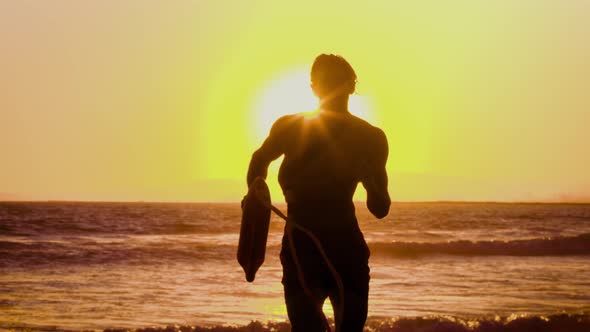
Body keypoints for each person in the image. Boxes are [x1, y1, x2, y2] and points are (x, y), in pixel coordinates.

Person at [246, 54, 390, 332]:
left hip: (346, 250)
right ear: (313, 88)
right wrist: (256, 192)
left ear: (351, 85)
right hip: (301, 248)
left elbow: (381, 207)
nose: (329, 88)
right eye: (322, 82)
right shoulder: (290, 127)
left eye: (335, 81)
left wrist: (370, 181)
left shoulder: (370, 137)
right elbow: (259, 161)